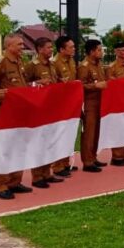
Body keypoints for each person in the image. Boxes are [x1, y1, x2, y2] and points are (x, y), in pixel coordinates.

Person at [0, 34, 33, 199]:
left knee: (18, 147)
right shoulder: (0, 63)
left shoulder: (19, 62)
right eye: (19, 44)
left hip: (20, 112)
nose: (22, 46)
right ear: (9, 46)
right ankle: (1, 185)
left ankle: (14, 181)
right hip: (5, 111)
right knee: (4, 148)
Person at [24, 37, 64, 189]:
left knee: (49, 141)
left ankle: (47, 172)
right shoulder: (32, 66)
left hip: (51, 108)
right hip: (38, 108)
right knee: (38, 142)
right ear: (39, 49)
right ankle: (37, 176)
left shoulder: (52, 65)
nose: (51, 50)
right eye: (48, 47)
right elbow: (24, 85)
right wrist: (37, 83)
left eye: (51, 47)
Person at [77, 39, 108, 173]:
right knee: (89, 132)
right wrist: (95, 85)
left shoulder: (99, 65)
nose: (102, 52)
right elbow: (79, 86)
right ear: (91, 52)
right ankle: (87, 161)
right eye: (99, 50)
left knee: (97, 132)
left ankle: (93, 157)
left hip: (100, 102)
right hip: (89, 103)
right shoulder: (84, 66)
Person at [51, 36, 78, 177]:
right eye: (71, 47)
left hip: (71, 102)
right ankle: (57, 166)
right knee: (59, 134)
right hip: (59, 103)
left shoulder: (71, 61)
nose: (74, 49)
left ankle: (66, 162)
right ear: (62, 49)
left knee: (69, 133)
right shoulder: (54, 63)